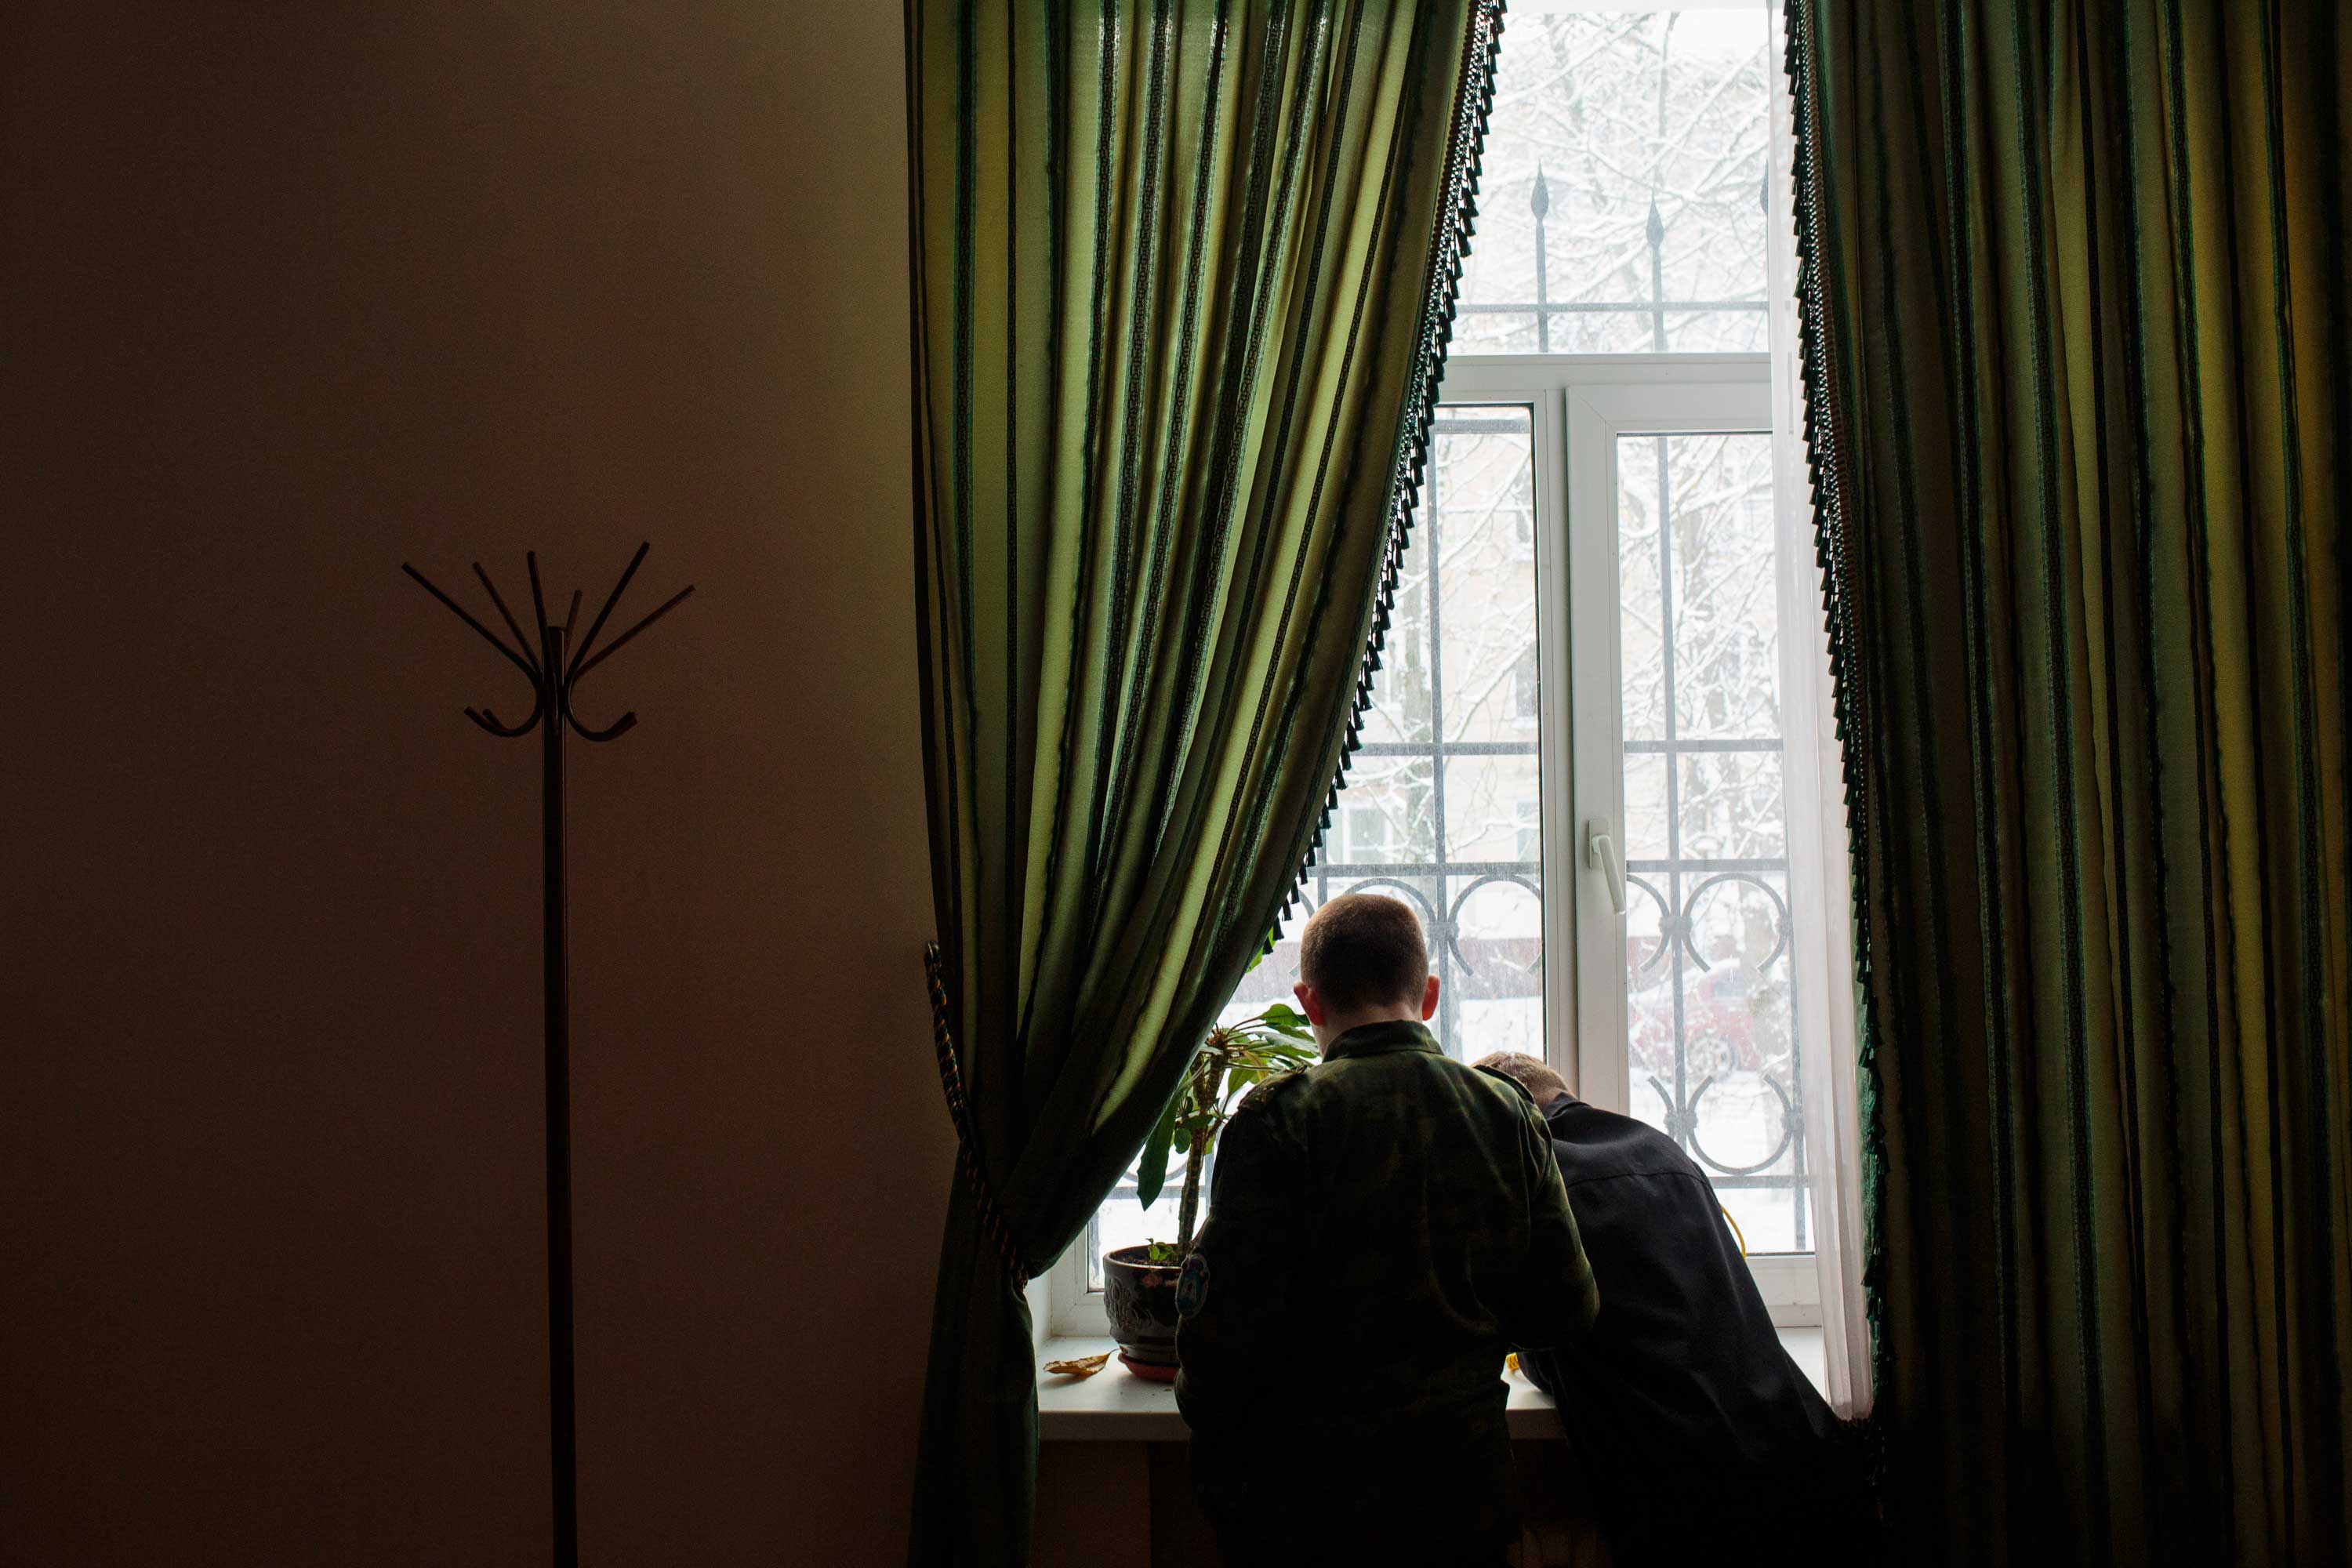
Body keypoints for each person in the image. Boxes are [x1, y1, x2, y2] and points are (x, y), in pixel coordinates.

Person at [1174, 894, 1599, 1568]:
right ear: (1428, 994)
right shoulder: (1507, 1115)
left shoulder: (1280, 1122)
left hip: (1305, 1516)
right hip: (1463, 1506)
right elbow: (1566, 1311)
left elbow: (1217, 1350)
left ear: (1309, 1003)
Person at [1475, 1051, 1874, 1566]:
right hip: (1800, 1458)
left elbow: (1548, 1332)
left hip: (1690, 1504)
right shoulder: (1659, 1147)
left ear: (1501, 1112)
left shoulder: (1540, 1178)